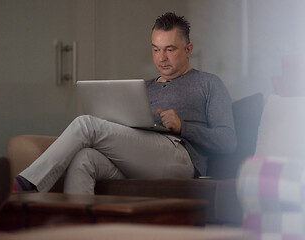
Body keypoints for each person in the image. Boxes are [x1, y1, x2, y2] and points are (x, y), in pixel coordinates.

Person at [14, 12, 237, 194]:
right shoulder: (144, 88)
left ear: (188, 50)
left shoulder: (208, 83)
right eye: (156, 49)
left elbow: (228, 141)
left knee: (86, 124)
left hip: (180, 158)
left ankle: (24, 186)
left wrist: (183, 127)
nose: (162, 58)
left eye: (170, 49)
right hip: (139, 156)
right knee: (84, 159)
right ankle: (79, 230)